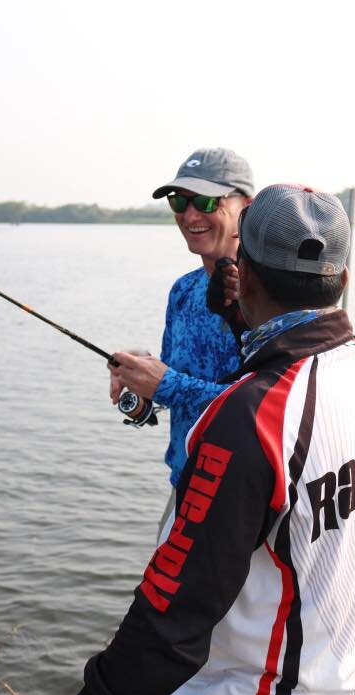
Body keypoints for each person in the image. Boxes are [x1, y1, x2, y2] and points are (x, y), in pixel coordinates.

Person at [62, 183, 355, 695]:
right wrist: (239, 320)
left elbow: (180, 600)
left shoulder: (252, 420)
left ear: (240, 271)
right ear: (342, 280)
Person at [108, 147, 254, 488]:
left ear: (246, 206)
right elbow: (176, 384)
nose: (190, 216)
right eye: (179, 202)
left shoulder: (268, 295)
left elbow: (268, 405)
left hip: (244, 497)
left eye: (205, 202)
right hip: (184, 484)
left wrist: (166, 383)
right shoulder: (183, 290)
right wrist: (140, 373)